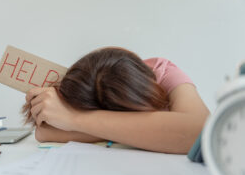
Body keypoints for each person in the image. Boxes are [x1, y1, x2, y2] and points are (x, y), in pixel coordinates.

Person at [25, 47, 210, 154]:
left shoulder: (164, 73)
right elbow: (45, 132)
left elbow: (202, 133)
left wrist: (75, 120)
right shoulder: (87, 85)